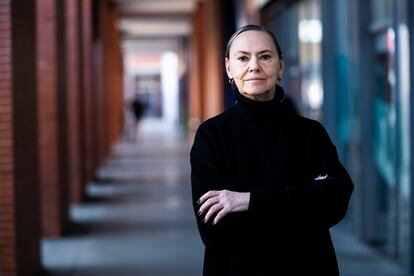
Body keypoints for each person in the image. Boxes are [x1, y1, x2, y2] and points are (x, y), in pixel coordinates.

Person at [190, 24, 354, 275]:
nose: (254, 66)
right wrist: (303, 202)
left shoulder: (310, 133)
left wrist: (247, 201)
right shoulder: (211, 136)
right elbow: (216, 232)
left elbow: (335, 201)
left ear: (280, 65)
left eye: (265, 56)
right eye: (243, 58)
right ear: (228, 68)